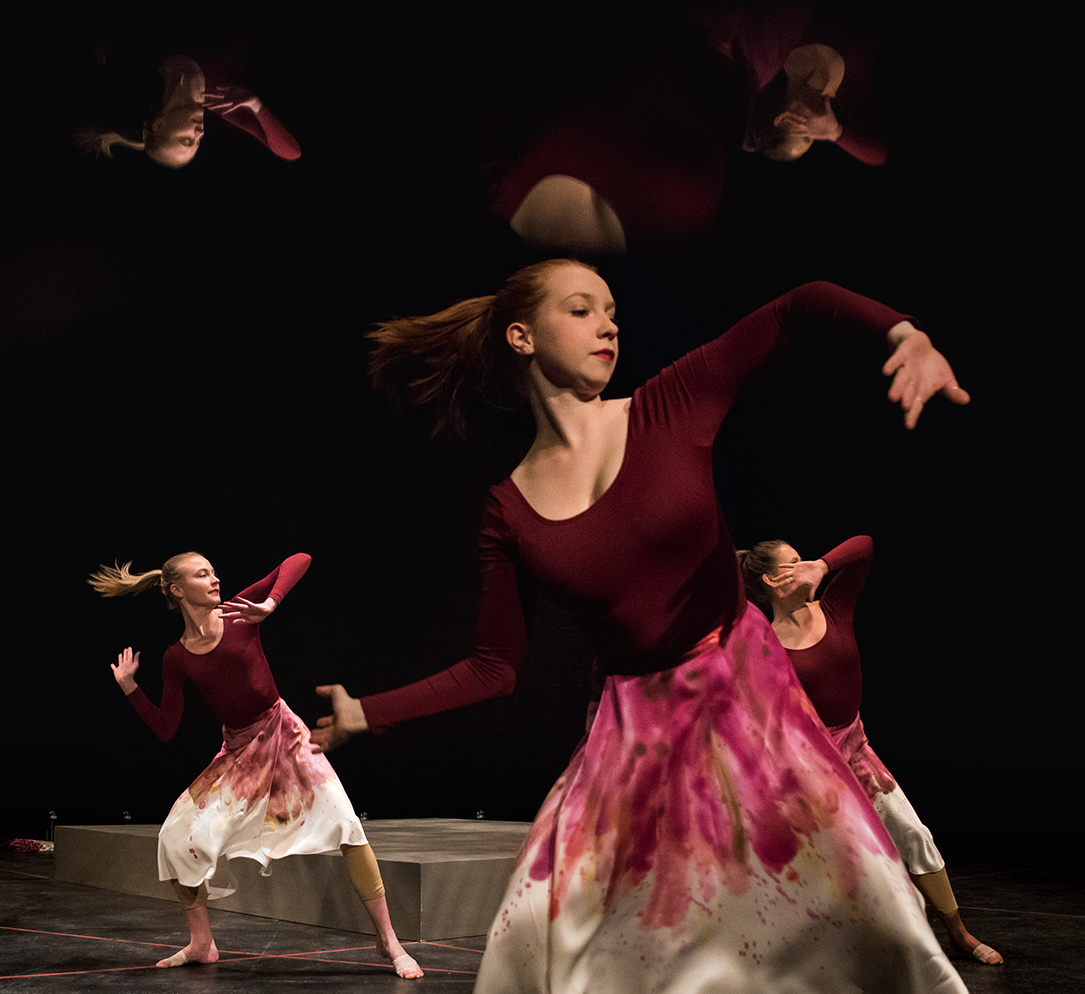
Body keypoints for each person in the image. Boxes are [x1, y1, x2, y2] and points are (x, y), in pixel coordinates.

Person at [311, 260, 971, 992]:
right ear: (522, 336)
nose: (609, 325)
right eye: (582, 310)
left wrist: (904, 334)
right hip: (633, 739)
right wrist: (365, 713)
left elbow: (797, 305)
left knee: (856, 918)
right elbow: (495, 667)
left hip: (745, 703)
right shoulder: (509, 508)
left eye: (613, 311)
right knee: (567, 942)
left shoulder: (667, 405)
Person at [89, 552, 421, 977]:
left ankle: (388, 940)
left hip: (284, 736)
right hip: (239, 754)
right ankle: (202, 943)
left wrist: (272, 602)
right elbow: (166, 728)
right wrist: (132, 688)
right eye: (202, 574)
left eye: (213, 571)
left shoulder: (239, 614)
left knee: (347, 826)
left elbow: (300, 559)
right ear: (176, 589)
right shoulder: (177, 656)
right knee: (176, 836)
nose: (215, 578)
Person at [739, 535, 1003, 965]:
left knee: (913, 834)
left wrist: (822, 565)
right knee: (828, 867)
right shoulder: (765, 642)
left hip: (857, 753)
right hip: (809, 768)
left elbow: (865, 546)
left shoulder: (834, 608)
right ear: (772, 579)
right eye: (795, 562)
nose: (804, 565)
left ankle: (958, 933)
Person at [75, 54, 300, 167]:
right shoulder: (223, 100)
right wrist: (257, 106)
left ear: (158, 124)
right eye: (197, 142)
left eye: (186, 140)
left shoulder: (151, 63)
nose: (199, 134)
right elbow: (291, 152)